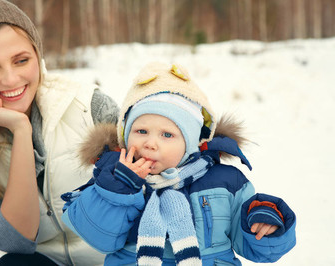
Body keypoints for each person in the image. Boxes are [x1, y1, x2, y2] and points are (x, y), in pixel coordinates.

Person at [61, 62, 296, 265]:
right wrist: (120, 190)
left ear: (191, 143)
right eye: (141, 130)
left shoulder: (227, 182)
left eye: (167, 135)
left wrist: (264, 225)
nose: (150, 143)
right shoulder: (112, 177)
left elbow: (253, 248)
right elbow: (100, 238)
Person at [0, 0, 118, 265]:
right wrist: (21, 130)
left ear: (37, 56)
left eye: (21, 60)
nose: (11, 80)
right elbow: (15, 242)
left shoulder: (88, 107)